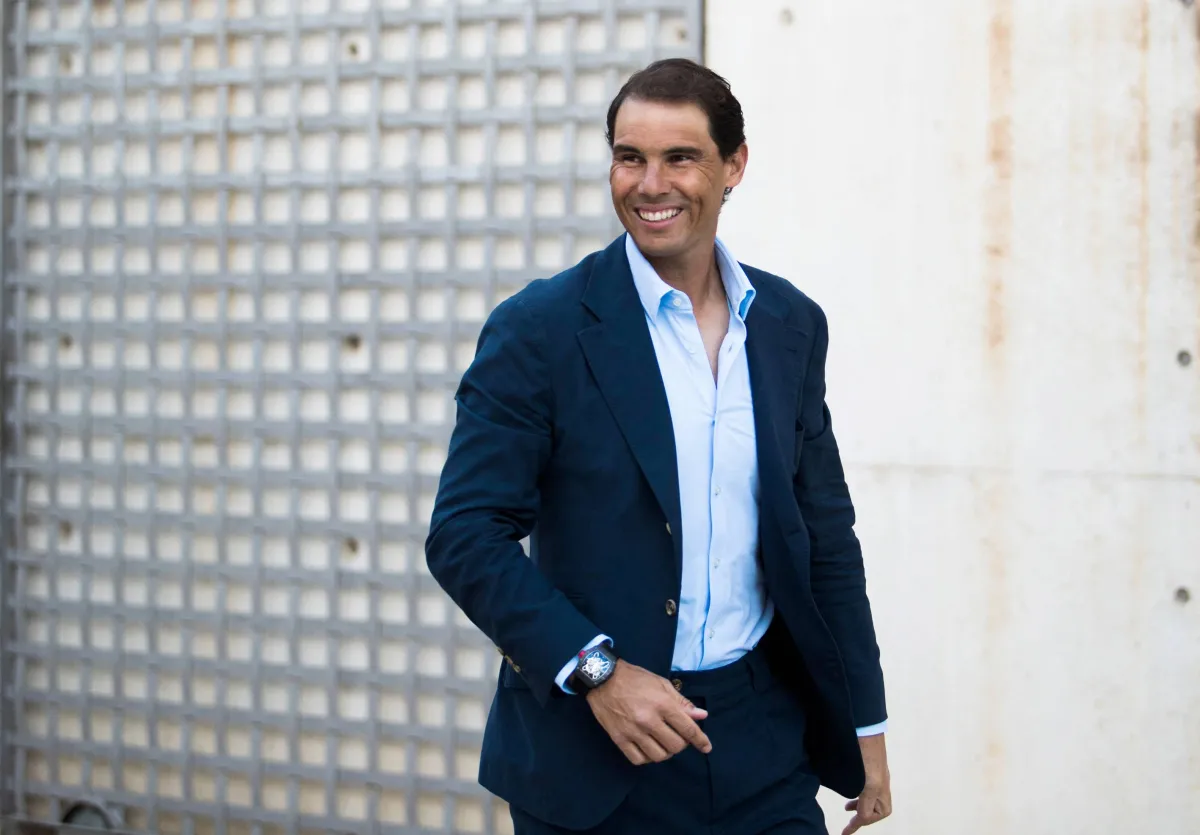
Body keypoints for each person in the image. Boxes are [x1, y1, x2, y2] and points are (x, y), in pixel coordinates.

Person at [425, 58, 892, 835]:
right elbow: (465, 535)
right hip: (595, 755)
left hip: (762, 742)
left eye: (680, 157)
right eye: (629, 157)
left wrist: (865, 724)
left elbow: (825, 538)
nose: (650, 184)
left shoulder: (788, 323)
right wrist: (597, 670)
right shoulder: (538, 329)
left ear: (734, 165)